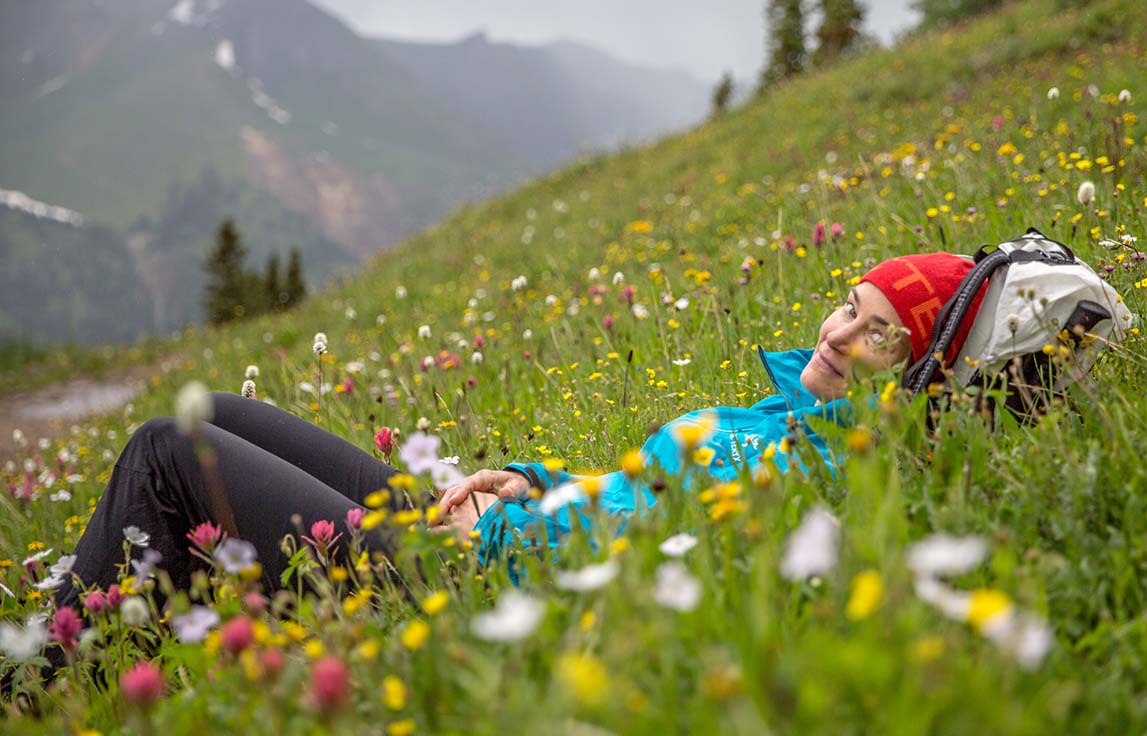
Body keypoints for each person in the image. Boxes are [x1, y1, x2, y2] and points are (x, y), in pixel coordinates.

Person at [43, 252, 982, 617]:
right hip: (501, 534)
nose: (834, 332)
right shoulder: (786, 418)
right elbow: (633, 497)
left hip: (478, 576)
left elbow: (655, 554)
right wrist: (524, 483)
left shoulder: (823, 463)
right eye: (846, 306)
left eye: (874, 333)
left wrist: (491, 537)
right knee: (218, 418)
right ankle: (136, 626)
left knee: (170, 451)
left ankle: (38, 683)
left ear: (913, 369)